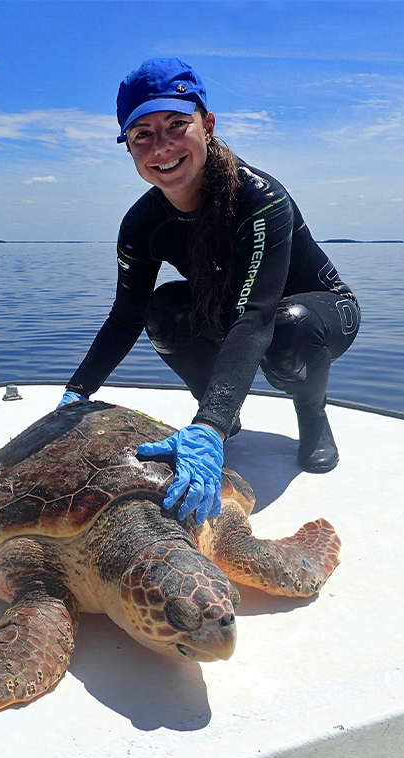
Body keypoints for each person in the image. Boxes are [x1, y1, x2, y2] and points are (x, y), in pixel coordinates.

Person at [57, 58, 360, 527]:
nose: (162, 147)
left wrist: (207, 425)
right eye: (143, 135)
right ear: (129, 148)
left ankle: (311, 415)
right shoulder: (142, 224)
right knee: (162, 309)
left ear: (207, 124)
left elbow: (256, 316)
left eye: (177, 125)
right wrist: (76, 393)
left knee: (287, 329)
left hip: (317, 310)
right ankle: (222, 413)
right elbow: (126, 316)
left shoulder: (261, 199)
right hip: (237, 309)